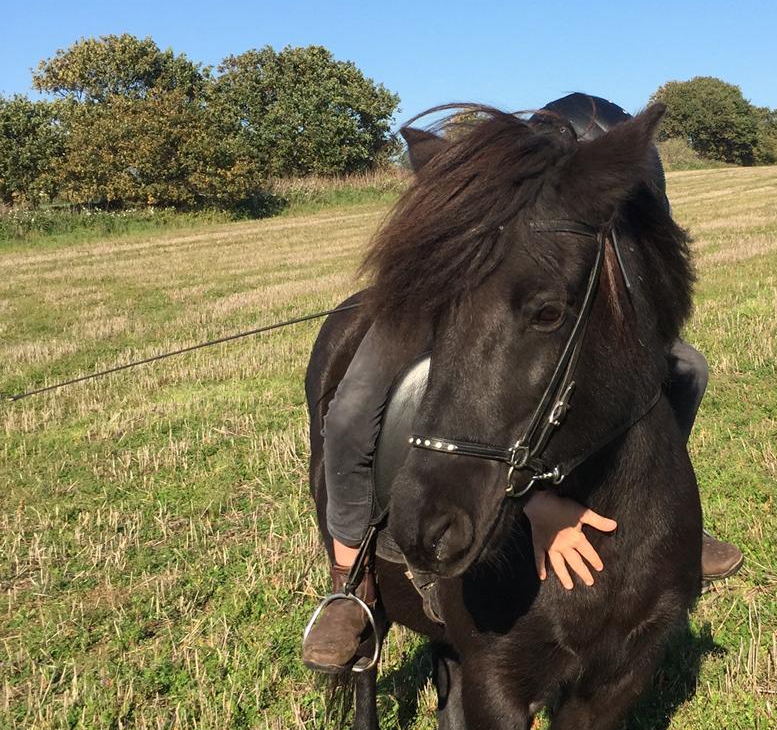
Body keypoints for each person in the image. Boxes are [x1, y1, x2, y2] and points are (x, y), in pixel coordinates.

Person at [304, 95, 742, 674]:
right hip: (445, 308)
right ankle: (350, 581)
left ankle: (658, 522)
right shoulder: (506, 184)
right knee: (352, 410)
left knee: (687, 367)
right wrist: (534, 500)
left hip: (527, 302)